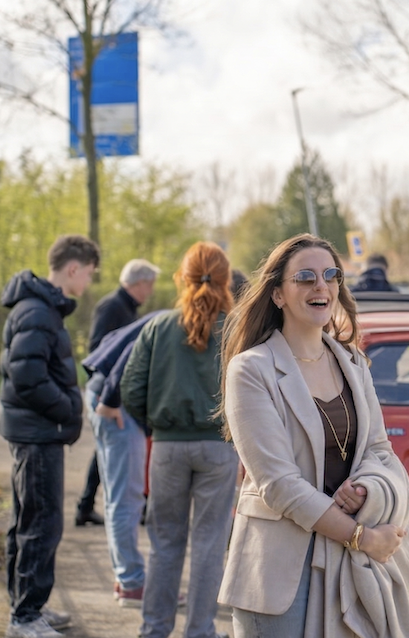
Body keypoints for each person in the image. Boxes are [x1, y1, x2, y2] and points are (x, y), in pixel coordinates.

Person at [218, 233, 409, 638]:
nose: (320, 286)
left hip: (350, 565)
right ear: (278, 295)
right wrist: (361, 537)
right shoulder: (250, 370)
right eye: (305, 278)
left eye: (331, 275)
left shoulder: (353, 362)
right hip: (281, 571)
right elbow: (279, 485)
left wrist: (365, 489)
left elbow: (378, 450)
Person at [121, 242, 239, 638]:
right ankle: (200, 631)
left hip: (168, 448)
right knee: (209, 543)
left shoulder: (157, 326)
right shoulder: (236, 329)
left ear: (182, 278)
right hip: (220, 448)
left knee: (165, 542)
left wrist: (156, 427)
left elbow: (131, 387)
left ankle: (154, 630)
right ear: (226, 280)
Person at [0, 234, 100, 638]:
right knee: (41, 523)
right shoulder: (38, 312)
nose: (88, 283)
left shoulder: (38, 308)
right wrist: (68, 407)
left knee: (28, 519)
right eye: (89, 274)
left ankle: (26, 606)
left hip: (34, 433)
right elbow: (27, 377)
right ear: (73, 269)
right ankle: (25, 616)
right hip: (38, 435)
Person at [80, 260, 160, 608]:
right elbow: (113, 353)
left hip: (109, 396)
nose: (152, 290)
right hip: (113, 401)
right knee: (125, 496)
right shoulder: (114, 306)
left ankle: (127, 577)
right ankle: (131, 582)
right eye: (150, 284)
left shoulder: (129, 309)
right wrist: (110, 399)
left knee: (118, 493)